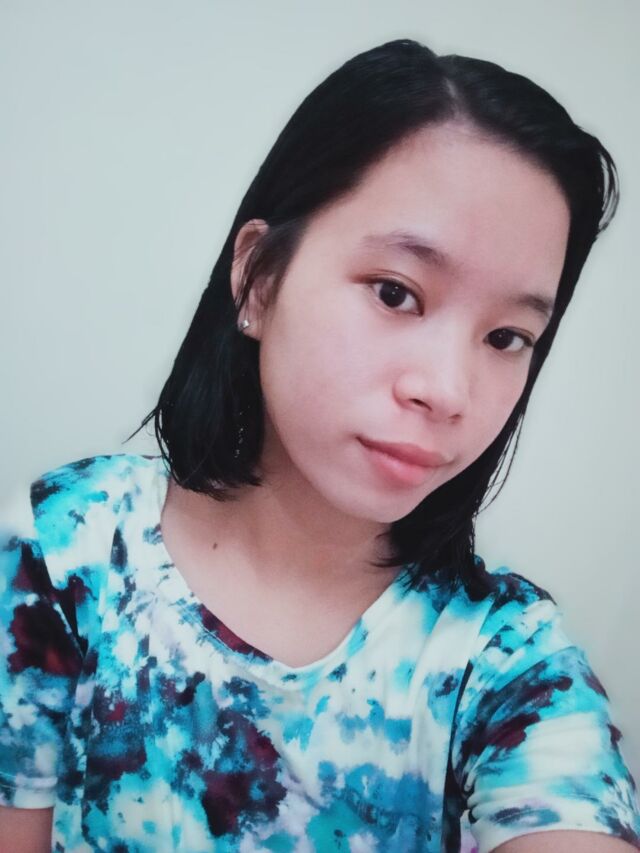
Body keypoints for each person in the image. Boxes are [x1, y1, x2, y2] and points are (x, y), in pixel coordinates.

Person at [0, 37, 638, 853]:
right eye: (396, 293)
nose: (448, 390)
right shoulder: (67, 554)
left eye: (507, 336)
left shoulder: (507, 663)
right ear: (258, 279)